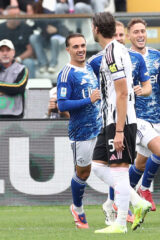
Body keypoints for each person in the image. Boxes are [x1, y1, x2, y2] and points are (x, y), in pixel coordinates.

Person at [89, 12, 151, 234]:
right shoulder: (111, 51)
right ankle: (138, 201)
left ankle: (121, 223)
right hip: (110, 120)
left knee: (119, 172)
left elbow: (123, 92)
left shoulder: (113, 52)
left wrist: (119, 130)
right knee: (97, 166)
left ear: (96, 29)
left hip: (119, 120)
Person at [121, 18, 160, 212]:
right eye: (136, 32)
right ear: (128, 35)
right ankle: (145, 188)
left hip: (154, 117)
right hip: (134, 117)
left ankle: (119, 202)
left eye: (143, 31)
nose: (140, 35)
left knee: (140, 163)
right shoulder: (123, 57)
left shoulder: (157, 56)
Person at [56, 33, 101, 229]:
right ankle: (77, 208)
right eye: (75, 46)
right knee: (83, 173)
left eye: (82, 45)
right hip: (81, 131)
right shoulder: (66, 73)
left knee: (113, 166)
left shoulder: (91, 68)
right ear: (68, 50)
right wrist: (88, 101)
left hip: (101, 127)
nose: (81, 49)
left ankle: (119, 207)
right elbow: (62, 104)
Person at [29, 1, 70, 74]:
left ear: (36, 9)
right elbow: (32, 30)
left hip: (57, 41)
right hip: (45, 40)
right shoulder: (35, 18)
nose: (29, 13)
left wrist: (56, 30)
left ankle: (53, 64)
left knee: (54, 39)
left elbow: (66, 31)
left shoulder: (51, 15)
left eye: (30, 11)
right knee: (33, 37)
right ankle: (43, 64)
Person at [0, 5, 35, 77]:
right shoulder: (1, 28)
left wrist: (18, 59)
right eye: (14, 15)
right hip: (3, 58)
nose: (18, 17)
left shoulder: (25, 27)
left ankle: (30, 86)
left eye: (19, 14)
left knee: (29, 63)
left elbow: (30, 50)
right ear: (7, 17)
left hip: (21, 58)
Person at [0, 39, 28, 118]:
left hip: (15, 115)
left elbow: (18, 87)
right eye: (2, 51)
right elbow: (13, 88)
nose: (5, 53)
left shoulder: (22, 69)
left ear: (13, 52)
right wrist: (9, 89)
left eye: (8, 50)